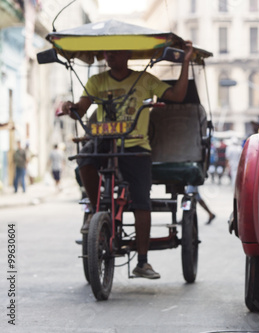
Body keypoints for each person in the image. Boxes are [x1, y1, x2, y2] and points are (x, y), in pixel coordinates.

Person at [61, 42, 194, 279]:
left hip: (135, 146)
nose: (108, 55)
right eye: (106, 51)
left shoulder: (145, 79)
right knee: (84, 160)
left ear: (127, 54)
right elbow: (80, 110)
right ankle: (94, 210)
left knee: (141, 202)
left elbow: (177, 95)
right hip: (104, 141)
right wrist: (68, 107)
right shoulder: (96, 82)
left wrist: (185, 62)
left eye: (113, 51)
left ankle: (142, 262)